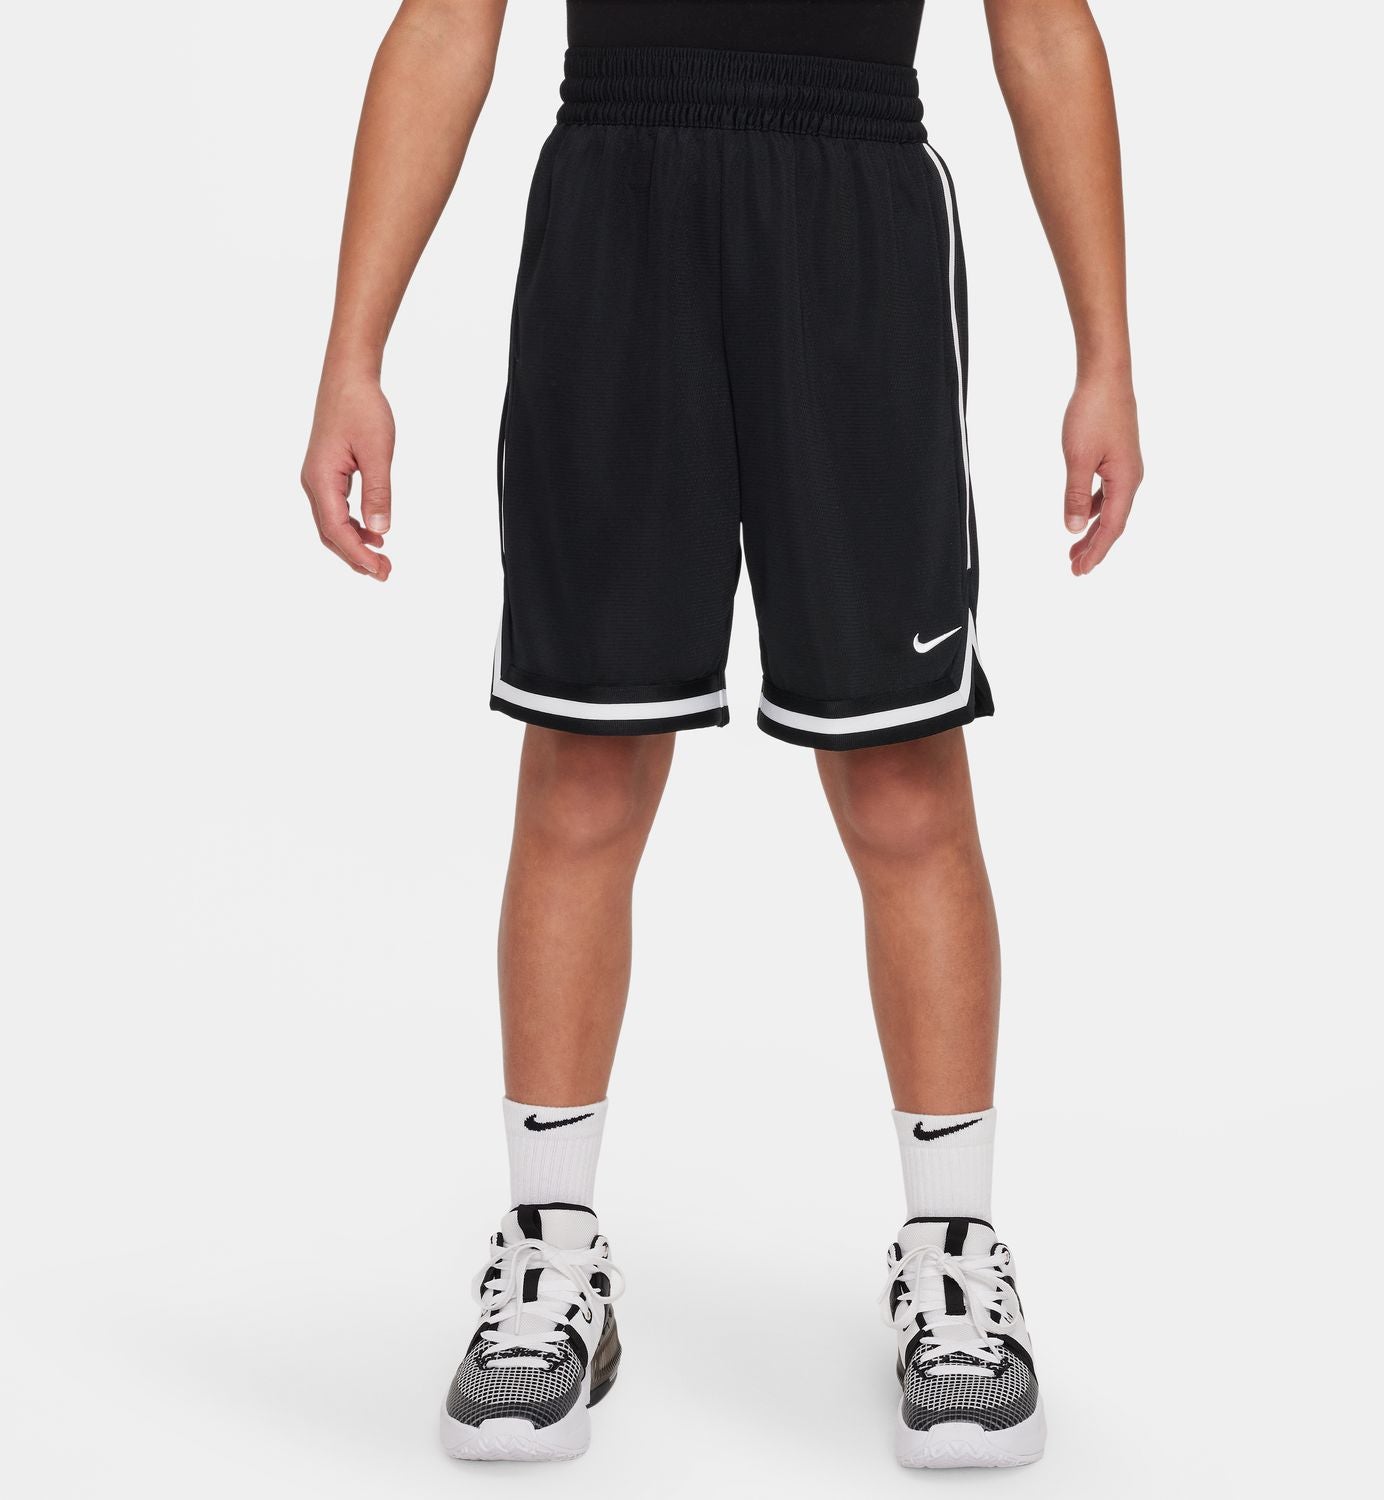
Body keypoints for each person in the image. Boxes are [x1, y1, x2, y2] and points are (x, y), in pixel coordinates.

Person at [301, 0, 1141, 1470]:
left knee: (902, 772)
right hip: (618, 194)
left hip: (854, 204)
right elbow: (445, 26)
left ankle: (954, 1266)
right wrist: (352, 354)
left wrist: (1106, 356)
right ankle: (550, 1254)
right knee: (583, 762)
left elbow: (1045, 32)